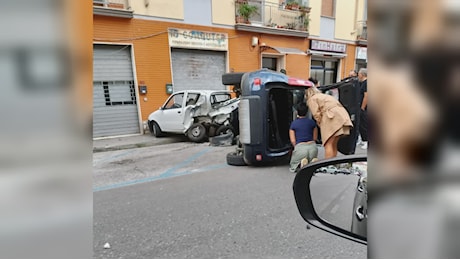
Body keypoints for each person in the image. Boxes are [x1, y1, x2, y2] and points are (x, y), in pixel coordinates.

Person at [305, 87, 353, 159]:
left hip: (331, 118)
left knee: (328, 144)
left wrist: (320, 123)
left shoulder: (312, 99)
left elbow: (316, 114)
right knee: (334, 143)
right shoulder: (325, 96)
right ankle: (333, 163)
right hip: (342, 117)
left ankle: (328, 165)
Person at [289, 103, 318, 173]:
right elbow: (315, 138)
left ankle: (301, 164)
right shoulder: (312, 123)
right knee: (311, 157)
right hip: (312, 148)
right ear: (307, 112)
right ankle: (312, 161)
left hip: (301, 148)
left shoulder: (293, 124)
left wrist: (296, 148)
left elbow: (293, 141)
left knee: (293, 165)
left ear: (297, 112)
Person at [357, 68, 368, 149]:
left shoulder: (367, 83)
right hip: (361, 106)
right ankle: (362, 139)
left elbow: (366, 96)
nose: (358, 75)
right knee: (360, 124)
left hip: (364, 107)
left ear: (362, 74)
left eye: (359, 74)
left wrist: (362, 107)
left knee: (364, 124)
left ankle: (366, 141)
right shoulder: (362, 83)